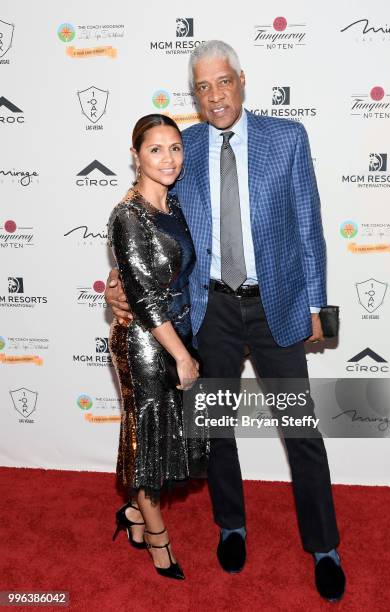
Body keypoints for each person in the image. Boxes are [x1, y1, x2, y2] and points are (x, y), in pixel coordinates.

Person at [106, 41, 346, 601]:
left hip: (276, 306)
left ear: (242, 79)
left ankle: (325, 545)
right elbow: (148, 221)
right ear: (195, 94)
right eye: (202, 87)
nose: (214, 96)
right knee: (216, 430)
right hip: (210, 308)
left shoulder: (287, 139)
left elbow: (310, 227)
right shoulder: (181, 148)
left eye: (222, 82)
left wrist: (321, 310)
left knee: (301, 431)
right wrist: (117, 285)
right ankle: (231, 526)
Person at [108, 113, 208, 581]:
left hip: (177, 335)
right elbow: (144, 297)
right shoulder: (127, 215)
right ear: (136, 156)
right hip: (146, 344)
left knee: (166, 437)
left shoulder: (174, 207)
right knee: (147, 440)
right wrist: (182, 356)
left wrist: (186, 347)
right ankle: (158, 541)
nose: (168, 158)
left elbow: (178, 277)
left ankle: (132, 516)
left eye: (175, 148)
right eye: (155, 149)